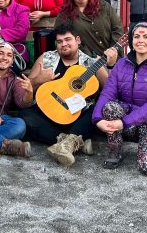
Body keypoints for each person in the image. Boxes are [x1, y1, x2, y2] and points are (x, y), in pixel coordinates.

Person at [18, 23, 109, 167]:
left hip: (75, 117)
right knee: (24, 115)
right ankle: (72, 141)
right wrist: (38, 80)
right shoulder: (46, 58)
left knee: (98, 109)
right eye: (59, 41)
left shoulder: (91, 63)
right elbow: (26, 86)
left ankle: (68, 141)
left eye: (68, 39)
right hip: (47, 112)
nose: (63, 44)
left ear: (77, 40)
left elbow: (109, 89)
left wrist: (107, 63)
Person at [93, 22, 147, 175]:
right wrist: (97, 119)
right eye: (136, 36)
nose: (140, 40)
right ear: (131, 41)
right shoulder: (121, 64)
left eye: (146, 37)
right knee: (110, 107)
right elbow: (107, 93)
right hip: (127, 122)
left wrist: (123, 123)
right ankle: (115, 150)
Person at [54, 0, 123, 67]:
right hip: (85, 64)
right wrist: (91, 57)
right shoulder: (65, 14)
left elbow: (117, 29)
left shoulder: (104, 6)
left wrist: (112, 51)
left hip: (114, 58)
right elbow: (65, 40)